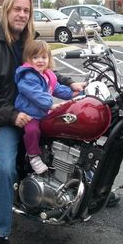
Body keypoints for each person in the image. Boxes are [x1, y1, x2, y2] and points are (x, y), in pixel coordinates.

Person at [0, 0, 85, 244]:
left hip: (28, 111)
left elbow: (45, 69)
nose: (22, 14)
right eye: (17, 9)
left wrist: (70, 84)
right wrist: (11, 115)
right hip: (0, 116)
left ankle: (85, 191)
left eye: (26, 10)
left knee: (72, 134)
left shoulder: (27, 40)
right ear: (6, 10)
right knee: (6, 169)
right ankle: (1, 235)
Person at [15, 40, 80, 174]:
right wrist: (51, 105)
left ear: (49, 59)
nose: (40, 60)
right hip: (29, 114)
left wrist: (76, 93)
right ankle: (33, 157)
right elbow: (36, 94)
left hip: (43, 113)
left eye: (44, 57)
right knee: (33, 131)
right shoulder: (28, 77)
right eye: (35, 57)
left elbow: (57, 89)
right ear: (28, 59)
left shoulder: (46, 75)